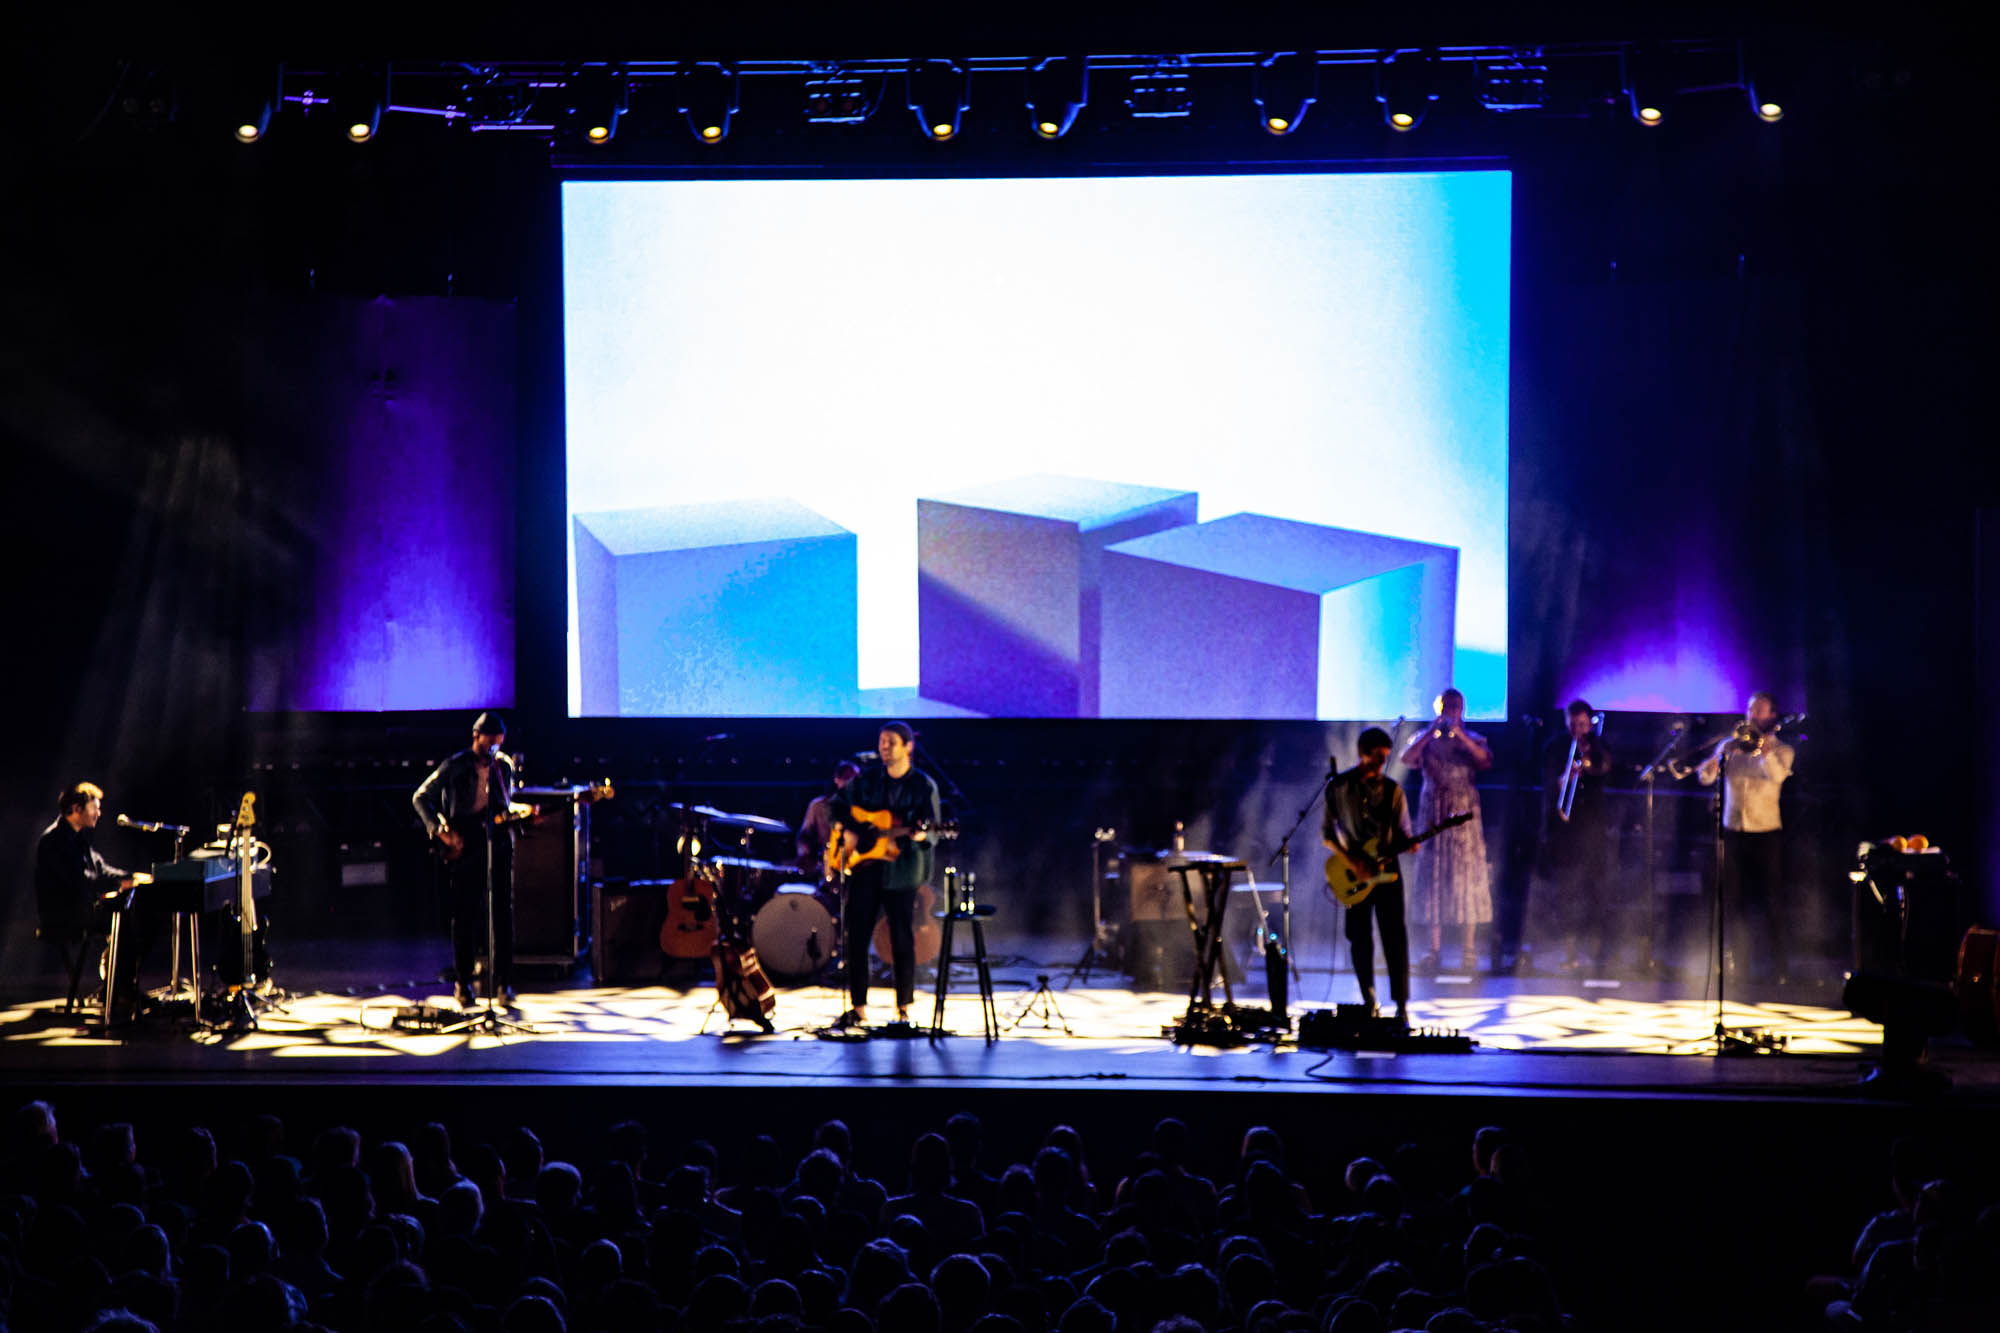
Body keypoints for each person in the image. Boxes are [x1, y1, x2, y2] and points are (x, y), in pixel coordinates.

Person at [826, 722, 940, 1029]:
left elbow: (932, 829)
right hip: (865, 868)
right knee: (856, 936)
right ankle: (859, 1008)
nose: (884, 747)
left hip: (902, 871)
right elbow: (836, 806)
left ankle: (903, 1008)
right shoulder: (867, 781)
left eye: (890, 742)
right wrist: (850, 831)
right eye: (882, 742)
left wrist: (920, 836)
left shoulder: (923, 785)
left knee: (902, 937)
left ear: (908, 747)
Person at [413, 712, 517, 1008]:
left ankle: (503, 983)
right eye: (490, 741)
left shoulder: (504, 767)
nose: (495, 747)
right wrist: (438, 830)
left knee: (502, 915)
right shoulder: (456, 765)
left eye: (500, 741)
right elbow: (421, 797)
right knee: (466, 916)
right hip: (465, 843)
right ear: (477, 737)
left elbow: (506, 804)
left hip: (496, 843)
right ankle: (463, 983)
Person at [1698, 690, 1796, 983]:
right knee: (1731, 900)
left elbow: (1777, 776)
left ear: (1772, 716)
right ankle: (1734, 965)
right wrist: (1719, 756)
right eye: (1751, 710)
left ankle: (1778, 968)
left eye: (1760, 711)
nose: (1753, 716)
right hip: (1733, 831)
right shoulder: (1732, 746)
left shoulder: (1783, 750)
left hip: (1766, 833)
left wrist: (1763, 750)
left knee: (1770, 901)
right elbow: (1704, 777)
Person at [34, 781, 153, 1018]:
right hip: (63, 915)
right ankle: (120, 988)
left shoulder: (78, 838)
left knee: (137, 913)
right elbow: (80, 881)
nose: (99, 813)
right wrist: (121, 883)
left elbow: (102, 869)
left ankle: (119, 985)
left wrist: (132, 877)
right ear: (77, 809)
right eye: (94, 808)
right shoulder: (54, 842)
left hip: (80, 909)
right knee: (128, 918)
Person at [1323, 728, 1415, 1020]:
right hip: (1354, 870)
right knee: (1359, 936)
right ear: (1363, 751)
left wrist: (1410, 843)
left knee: (1394, 936)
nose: (1381, 763)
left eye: (1385, 758)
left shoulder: (1393, 790)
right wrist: (1352, 861)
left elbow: (1404, 832)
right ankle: (1369, 999)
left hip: (1387, 872)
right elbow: (1327, 834)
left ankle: (1401, 1004)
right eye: (1377, 756)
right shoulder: (1338, 787)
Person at [1401, 689, 1493, 973]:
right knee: (1434, 877)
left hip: (1463, 813)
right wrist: (1432, 733)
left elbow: (1485, 760)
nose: (1451, 711)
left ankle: (1468, 950)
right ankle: (1434, 949)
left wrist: (1460, 735)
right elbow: (1406, 759)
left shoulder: (1473, 738)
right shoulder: (1425, 739)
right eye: (1446, 707)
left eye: (1456, 707)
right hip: (1434, 813)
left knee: (1468, 877)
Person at [1539, 701, 1616, 974]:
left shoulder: (1599, 745)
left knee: (1597, 891)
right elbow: (1547, 784)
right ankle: (1570, 954)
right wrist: (1565, 776)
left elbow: (1605, 767)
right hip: (1563, 831)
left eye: (1583, 725)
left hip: (1593, 828)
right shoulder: (1554, 746)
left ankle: (1598, 954)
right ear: (1566, 722)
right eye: (1574, 725)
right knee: (1566, 893)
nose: (1579, 731)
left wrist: (1588, 760)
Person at [797, 760, 861, 878]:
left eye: (855, 779)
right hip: (826, 866)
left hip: (857, 868)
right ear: (837, 779)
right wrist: (805, 854)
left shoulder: (864, 807)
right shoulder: (818, 806)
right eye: (847, 778)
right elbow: (804, 836)